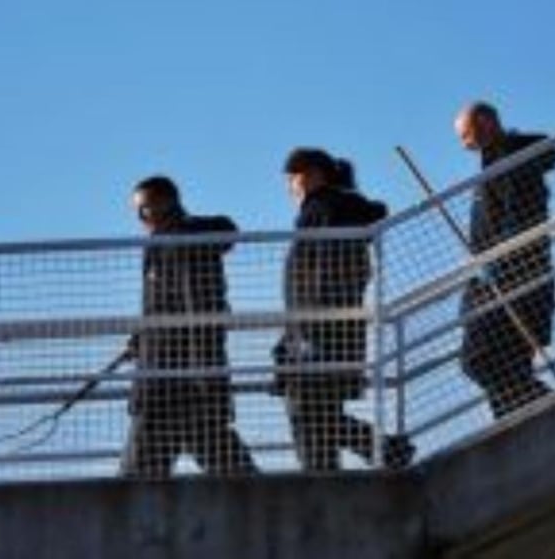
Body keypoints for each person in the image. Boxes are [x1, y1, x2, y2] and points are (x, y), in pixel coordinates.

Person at [273, 148, 415, 471]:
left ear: (311, 174)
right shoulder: (332, 208)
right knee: (317, 414)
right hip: (326, 331)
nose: (289, 187)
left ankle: (374, 454)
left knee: (307, 412)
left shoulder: (324, 208)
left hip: (320, 332)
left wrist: (305, 332)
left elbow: (328, 273)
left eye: (292, 178)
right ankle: (378, 452)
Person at [121, 175, 257, 478]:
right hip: (177, 380)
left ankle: (274, 508)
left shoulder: (184, 240)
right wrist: (139, 338)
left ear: (166, 202)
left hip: (169, 382)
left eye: (145, 208)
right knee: (229, 466)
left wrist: (203, 373)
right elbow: (162, 307)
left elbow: (196, 309)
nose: (140, 217)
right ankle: (275, 509)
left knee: (134, 482)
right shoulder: (165, 244)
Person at [454, 101, 555, 418]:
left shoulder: (510, 159)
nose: (464, 144)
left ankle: (548, 406)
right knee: (507, 368)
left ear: (485, 122)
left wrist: (496, 263)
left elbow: (521, 217)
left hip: (515, 279)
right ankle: (526, 421)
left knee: (477, 360)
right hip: (504, 279)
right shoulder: (494, 164)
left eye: (465, 135)